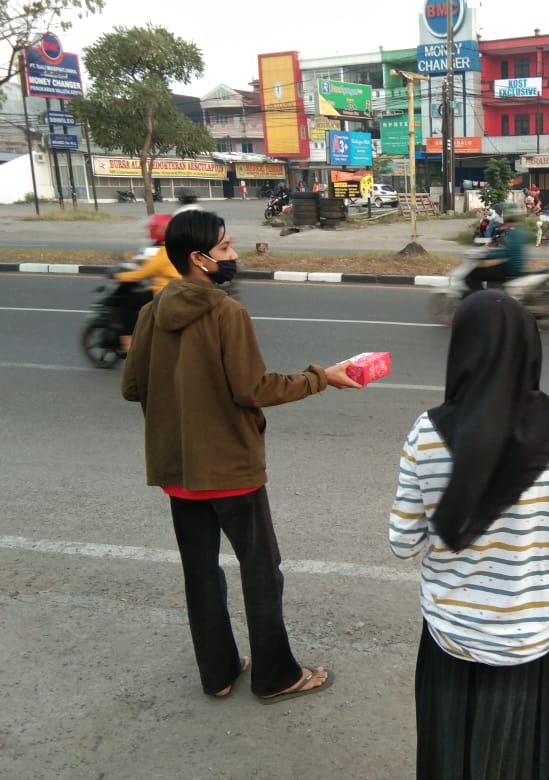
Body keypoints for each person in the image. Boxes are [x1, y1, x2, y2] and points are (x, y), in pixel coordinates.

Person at [121, 209, 363, 702]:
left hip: (178, 470)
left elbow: (131, 388)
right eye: (226, 247)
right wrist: (322, 377)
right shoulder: (226, 312)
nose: (234, 254)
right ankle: (276, 676)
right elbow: (254, 388)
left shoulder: (151, 312)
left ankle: (218, 673)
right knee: (260, 571)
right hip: (231, 469)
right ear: (199, 258)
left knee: (200, 573)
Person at [389, 289, 549, 779]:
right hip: (538, 635)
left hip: (452, 634)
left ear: (461, 349)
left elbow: (403, 543)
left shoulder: (426, 432)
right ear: (530, 349)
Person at [112, 213, 180, 354]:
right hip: (172, 290)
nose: (149, 232)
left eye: (151, 229)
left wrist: (118, 276)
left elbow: (143, 273)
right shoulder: (174, 247)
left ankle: (128, 344)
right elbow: (147, 260)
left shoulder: (164, 252)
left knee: (130, 304)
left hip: (162, 293)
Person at [465, 212, 526, 293]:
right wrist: (493, 251)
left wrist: (485, 255)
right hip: (513, 266)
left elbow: (506, 253)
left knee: (474, 274)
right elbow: (507, 250)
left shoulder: (514, 232)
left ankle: (480, 296)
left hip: (511, 268)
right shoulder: (519, 231)